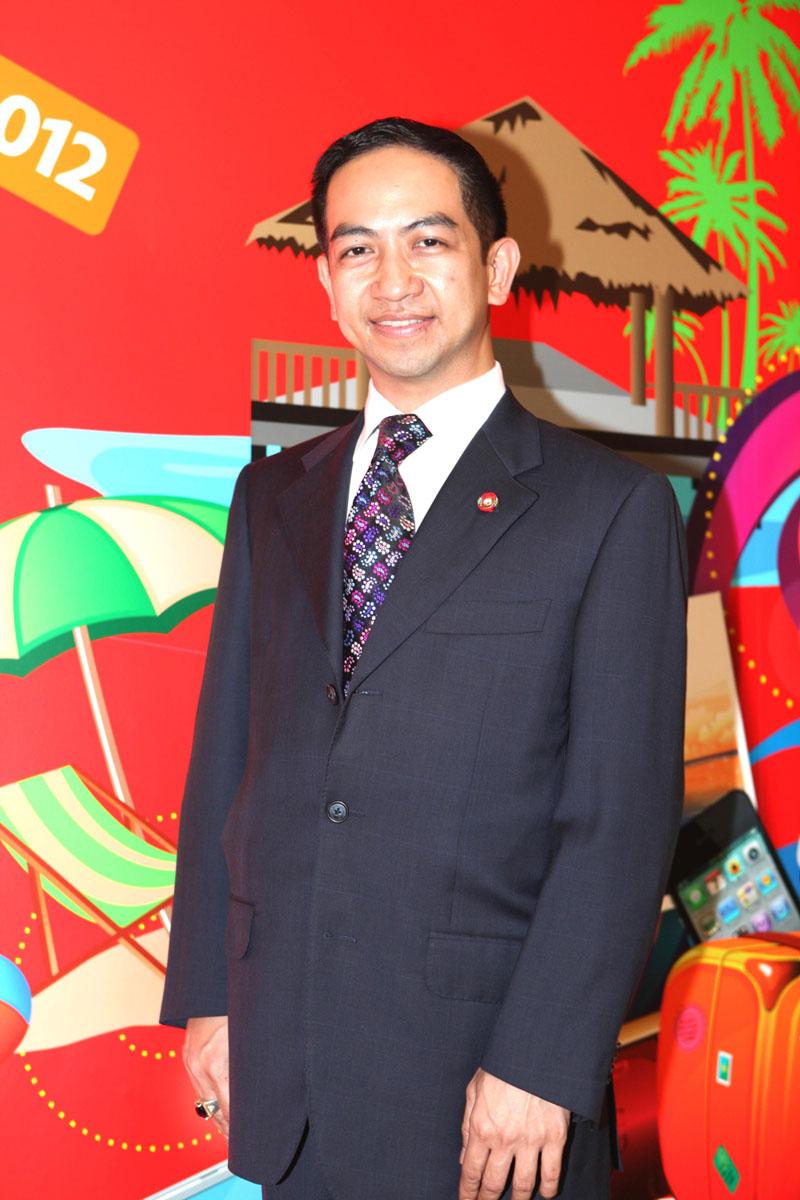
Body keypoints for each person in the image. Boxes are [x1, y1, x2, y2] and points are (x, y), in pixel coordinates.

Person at [160, 117, 688, 1200]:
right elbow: (228, 760)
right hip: (287, 1067)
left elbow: (618, 820)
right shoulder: (273, 495)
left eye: (428, 241)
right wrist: (212, 993)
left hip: (487, 1090)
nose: (392, 280)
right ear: (326, 281)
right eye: (357, 248)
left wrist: (541, 1063)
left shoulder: (608, 509)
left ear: (496, 266)